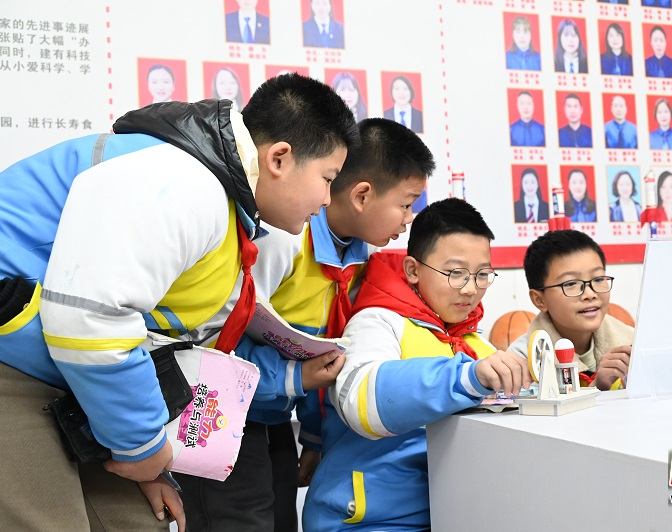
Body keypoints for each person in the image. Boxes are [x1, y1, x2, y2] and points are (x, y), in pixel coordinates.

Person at [0, 73, 359, 531]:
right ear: (279, 158)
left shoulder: (224, 205)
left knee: (140, 522)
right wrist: (142, 449)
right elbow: (90, 320)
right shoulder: (186, 182)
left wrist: (146, 456)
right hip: (16, 356)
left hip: (66, 374)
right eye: (327, 179)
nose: (326, 200)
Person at [177, 118, 435, 532]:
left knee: (281, 520)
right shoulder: (283, 238)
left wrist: (313, 436)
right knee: (238, 521)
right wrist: (294, 377)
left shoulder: (359, 259)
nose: (409, 219)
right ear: (362, 195)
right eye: (406, 204)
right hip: (218, 410)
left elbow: (326, 352)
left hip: (273, 415)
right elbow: (213, 340)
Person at [303, 198, 531, 531]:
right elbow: (362, 402)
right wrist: (466, 377)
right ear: (413, 270)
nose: (471, 289)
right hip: (368, 521)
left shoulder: (476, 346)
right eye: (455, 273)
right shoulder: (375, 322)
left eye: (482, 275)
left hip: (450, 516)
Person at [509, 230, 634, 391]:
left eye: (598, 279)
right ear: (540, 300)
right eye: (570, 284)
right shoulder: (522, 360)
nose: (589, 294)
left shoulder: (631, 341)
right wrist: (598, 387)